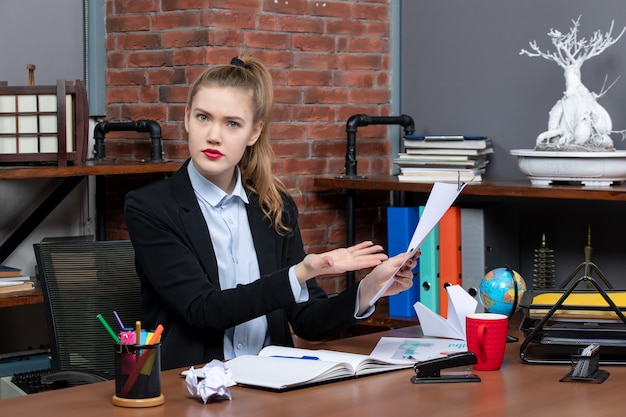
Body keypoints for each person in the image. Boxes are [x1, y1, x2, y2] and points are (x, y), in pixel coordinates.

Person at [124, 53, 417, 370]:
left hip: (272, 383)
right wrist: (301, 272)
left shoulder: (274, 206)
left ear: (253, 132)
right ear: (186, 118)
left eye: (232, 123)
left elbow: (307, 321)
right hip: (192, 386)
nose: (213, 135)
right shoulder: (150, 207)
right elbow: (202, 309)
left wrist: (369, 289)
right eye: (203, 117)